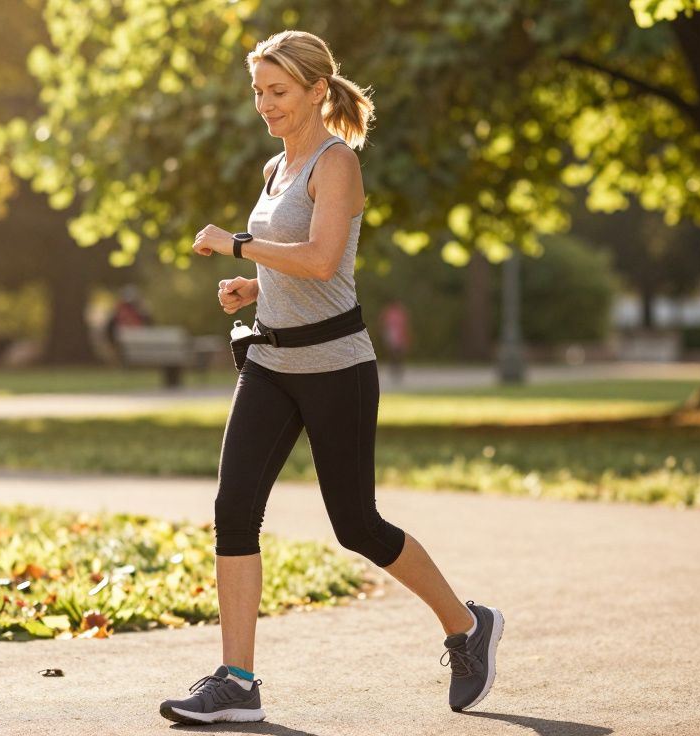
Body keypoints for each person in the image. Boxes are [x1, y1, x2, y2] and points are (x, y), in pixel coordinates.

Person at [159, 30, 504, 726]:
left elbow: (321, 262)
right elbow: (297, 263)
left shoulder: (335, 161)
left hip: (335, 367)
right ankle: (237, 680)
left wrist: (235, 243)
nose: (265, 104)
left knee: (357, 525)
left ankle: (467, 626)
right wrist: (251, 286)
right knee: (233, 508)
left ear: (318, 90)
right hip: (270, 362)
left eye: (278, 91)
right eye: (258, 91)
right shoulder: (272, 168)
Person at [380, 298, 413, 384]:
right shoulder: (396, 313)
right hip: (394, 337)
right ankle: (396, 371)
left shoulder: (392, 313)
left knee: (396, 355)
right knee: (396, 355)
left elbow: (385, 325)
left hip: (394, 337)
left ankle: (396, 371)